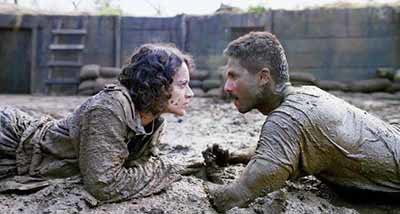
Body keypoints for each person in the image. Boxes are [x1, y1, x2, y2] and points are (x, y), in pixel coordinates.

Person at [202, 31, 400, 212]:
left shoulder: (288, 119)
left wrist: (197, 185)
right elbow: (288, 146)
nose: (227, 87)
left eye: (233, 76)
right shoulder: (308, 94)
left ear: (263, 77)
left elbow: (235, 197)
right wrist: (237, 156)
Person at [0, 43, 194, 204]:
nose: (190, 93)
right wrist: (170, 170)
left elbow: (134, 168)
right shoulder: (108, 108)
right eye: (182, 85)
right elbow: (104, 185)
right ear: (156, 84)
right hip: (9, 142)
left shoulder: (154, 119)